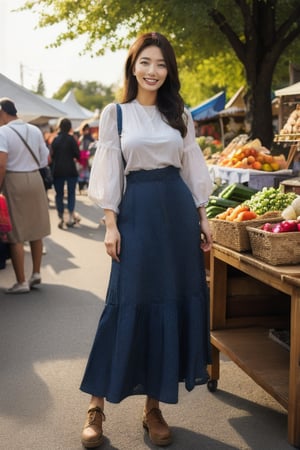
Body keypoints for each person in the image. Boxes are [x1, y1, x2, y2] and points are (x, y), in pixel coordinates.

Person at [80, 32, 213, 448]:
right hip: (136, 214)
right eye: (146, 62)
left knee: (168, 304)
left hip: (176, 216)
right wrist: (110, 224)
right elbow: (107, 173)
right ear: (133, 65)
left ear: (168, 70)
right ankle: (95, 407)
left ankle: (153, 407)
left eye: (161, 64)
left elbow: (192, 167)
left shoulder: (181, 116)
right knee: (124, 304)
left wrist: (203, 217)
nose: (153, 71)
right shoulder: (115, 114)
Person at [0, 97, 51, 294]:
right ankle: (36, 273)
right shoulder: (34, 130)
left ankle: (21, 281)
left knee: (16, 234)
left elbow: (2, 163)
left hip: (14, 180)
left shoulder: (3, 132)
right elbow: (45, 158)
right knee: (36, 229)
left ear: (2, 112)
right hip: (35, 179)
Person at [50, 118, 81, 229]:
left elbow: (52, 156)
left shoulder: (55, 139)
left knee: (59, 195)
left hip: (58, 170)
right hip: (70, 170)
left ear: (59, 126)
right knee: (71, 193)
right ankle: (70, 217)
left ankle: (61, 216)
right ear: (69, 127)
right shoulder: (71, 139)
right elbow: (77, 155)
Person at [77, 123, 94, 193]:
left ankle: (88, 187)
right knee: (81, 173)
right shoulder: (81, 138)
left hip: (89, 158)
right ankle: (80, 187)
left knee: (89, 173)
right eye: (85, 129)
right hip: (82, 159)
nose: (86, 131)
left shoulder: (90, 138)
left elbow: (93, 148)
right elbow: (78, 148)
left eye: (87, 129)